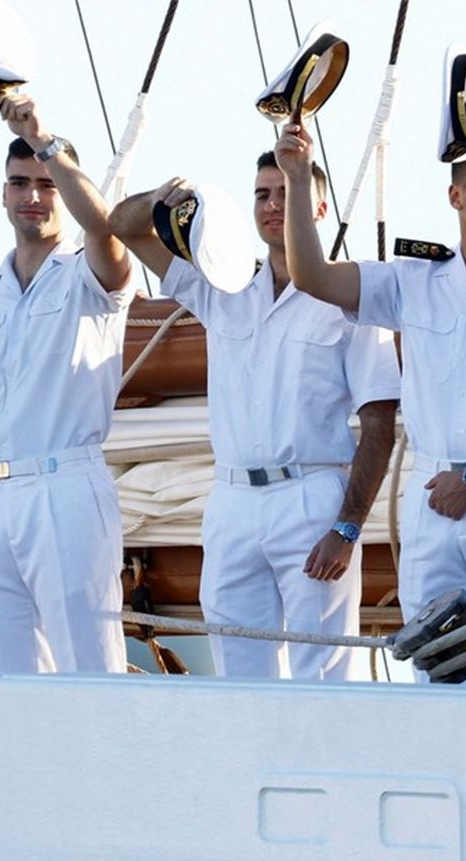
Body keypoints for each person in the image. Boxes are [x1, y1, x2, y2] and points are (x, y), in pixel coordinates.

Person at [110, 156, 400, 679]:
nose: (272, 206)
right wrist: (161, 197)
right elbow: (122, 228)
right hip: (231, 502)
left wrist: (348, 528)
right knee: (237, 673)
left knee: (325, 673)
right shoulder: (222, 290)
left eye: (286, 192)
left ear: (319, 206)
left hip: (311, 499)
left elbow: (379, 425)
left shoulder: (349, 300)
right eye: (263, 194)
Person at [278, 125, 466, 685]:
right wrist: (299, 181)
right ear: (455, 195)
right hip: (429, 494)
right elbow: (311, 276)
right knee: (437, 678)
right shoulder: (415, 279)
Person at [0, 94, 136, 675]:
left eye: (46, 184)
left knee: (89, 671)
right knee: (4, 683)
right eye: (21, 183)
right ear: (3, 193)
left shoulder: (91, 277)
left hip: (63, 486)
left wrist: (47, 140)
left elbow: (106, 228)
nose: (34, 197)